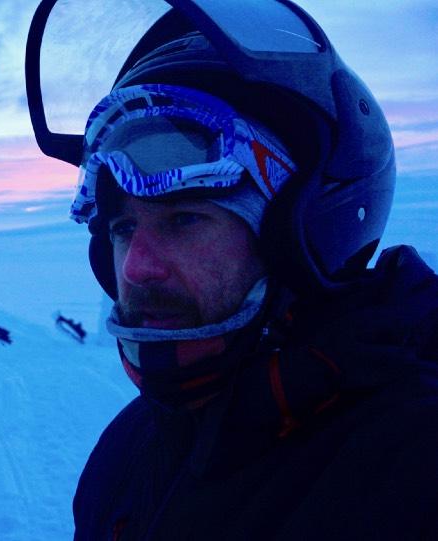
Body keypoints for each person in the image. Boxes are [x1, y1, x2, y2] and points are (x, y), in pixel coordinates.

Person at [24, 1, 438, 538]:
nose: (138, 269)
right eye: (124, 229)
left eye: (185, 218)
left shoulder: (410, 459)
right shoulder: (128, 446)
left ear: (304, 235)